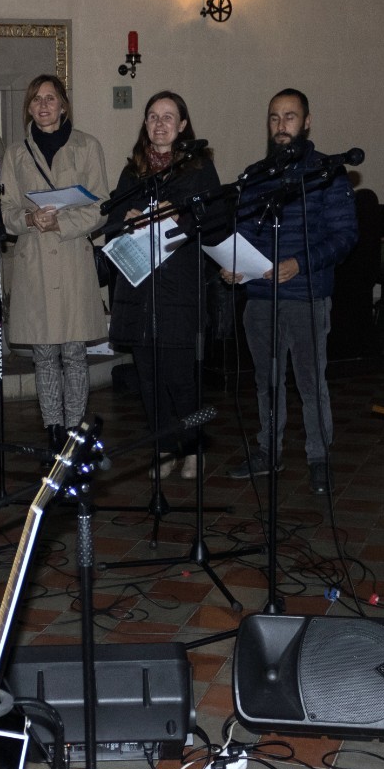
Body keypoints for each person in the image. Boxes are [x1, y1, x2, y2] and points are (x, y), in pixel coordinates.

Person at [222, 88, 358, 495]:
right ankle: (269, 451)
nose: (281, 125)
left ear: (307, 122)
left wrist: (300, 263)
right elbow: (245, 230)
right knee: (267, 381)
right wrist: (234, 264)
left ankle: (318, 458)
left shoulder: (327, 173)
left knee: (311, 383)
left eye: (290, 117)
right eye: (274, 117)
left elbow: (345, 236)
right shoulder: (255, 175)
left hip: (306, 295)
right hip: (260, 296)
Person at [104, 90, 221, 478]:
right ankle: (165, 448)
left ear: (183, 125)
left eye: (168, 116)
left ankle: (194, 447)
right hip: (139, 292)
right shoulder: (133, 172)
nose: (159, 123)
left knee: (181, 380)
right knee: (150, 382)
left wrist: (180, 217)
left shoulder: (199, 169)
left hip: (178, 291)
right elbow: (112, 224)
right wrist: (128, 220)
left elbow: (215, 221)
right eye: (153, 116)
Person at [6, 74, 110, 450]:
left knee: (74, 352)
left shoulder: (87, 146)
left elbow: (101, 206)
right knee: (45, 353)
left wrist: (61, 223)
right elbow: (6, 211)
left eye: (50, 98)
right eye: (36, 99)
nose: (44, 105)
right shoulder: (15, 153)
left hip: (71, 256)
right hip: (34, 259)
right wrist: (29, 218)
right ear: (29, 108)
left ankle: (74, 430)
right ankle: (53, 429)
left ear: (63, 105)